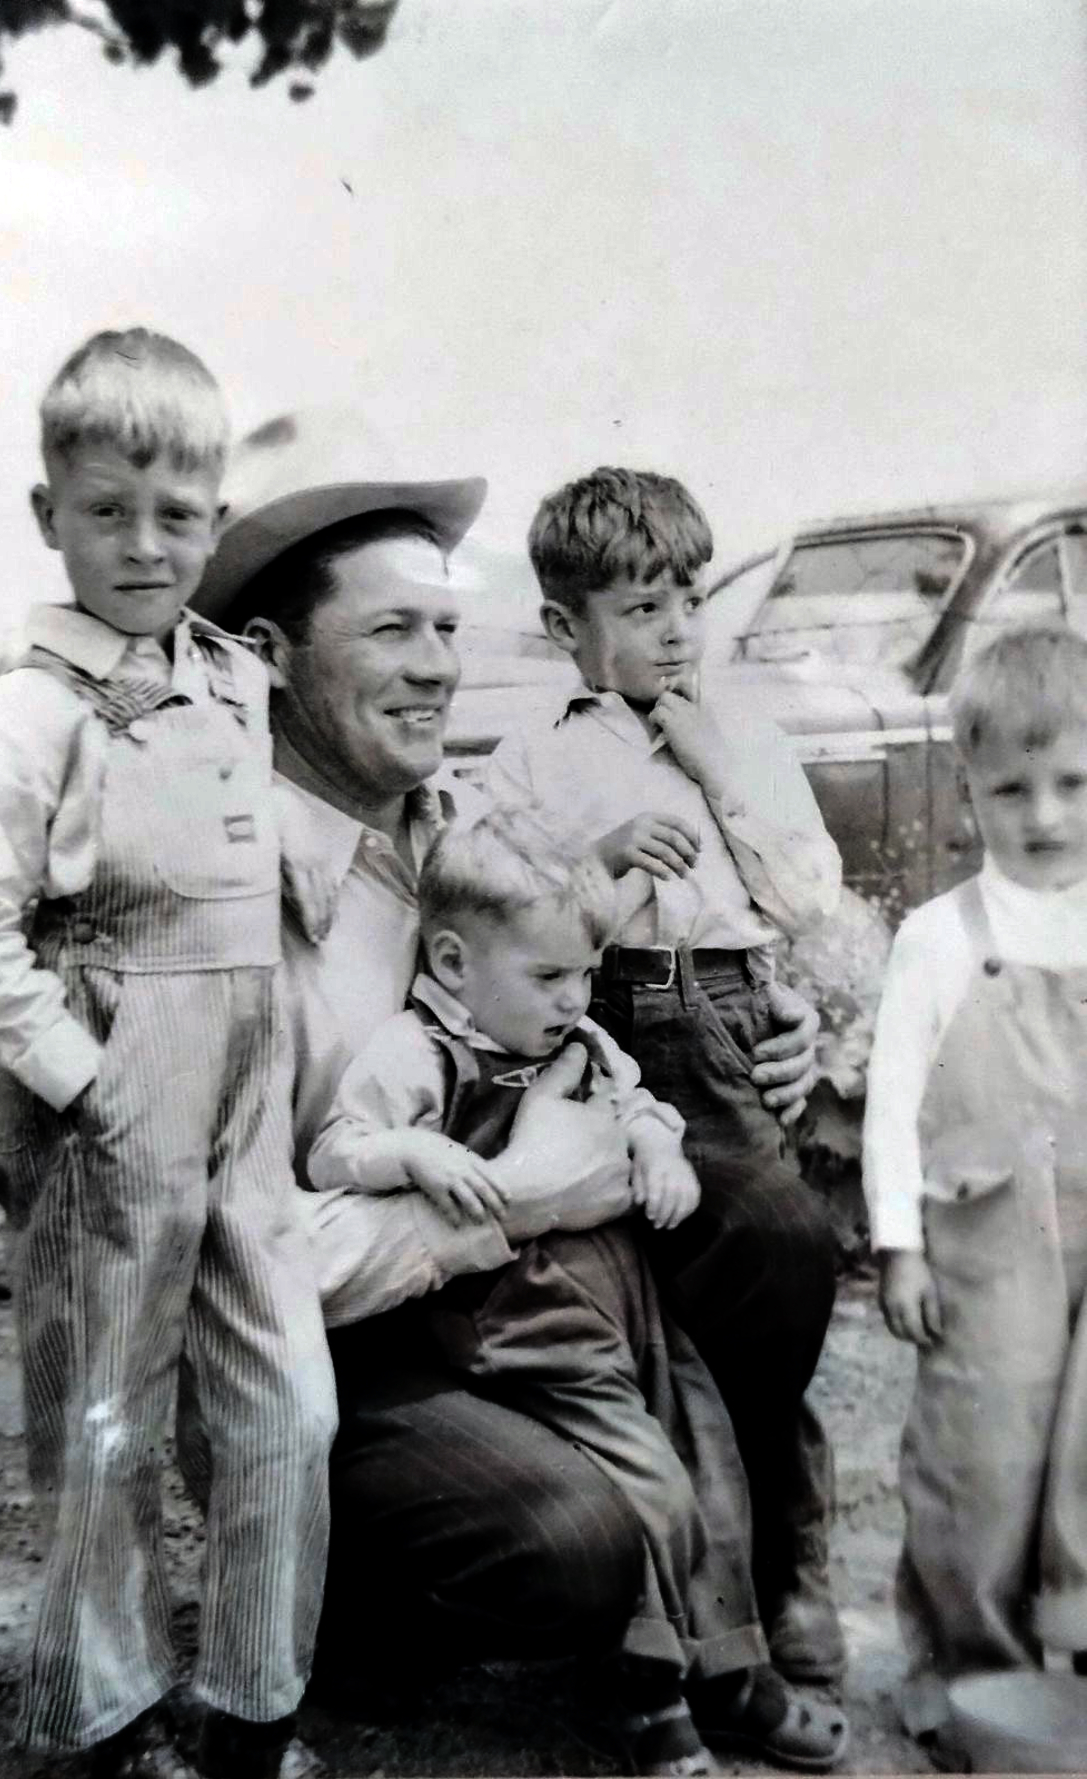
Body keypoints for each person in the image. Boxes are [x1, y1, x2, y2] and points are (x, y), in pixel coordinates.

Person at [188, 410, 827, 1722]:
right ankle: (361, 1613)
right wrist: (525, 1197)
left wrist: (782, 1024)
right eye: (390, 631)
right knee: (570, 1539)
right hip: (355, 1356)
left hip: (530, 1303)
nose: (435, 667)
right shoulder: (213, 910)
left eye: (442, 628)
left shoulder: (473, 826)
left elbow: (619, 960)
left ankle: (748, 1589)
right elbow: (247, 1267)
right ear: (263, 658)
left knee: (772, 1228)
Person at [0, 334, 336, 1779]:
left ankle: (252, 1699)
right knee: (105, 1420)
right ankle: (106, 1716)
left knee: (288, 1399)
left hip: (245, 1096)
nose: (145, 545)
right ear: (52, 517)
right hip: (114, 1095)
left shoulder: (235, 685)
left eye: (176, 516)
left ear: (214, 521)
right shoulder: (36, 707)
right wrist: (88, 1080)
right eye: (109, 511)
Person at [309, 802, 847, 1774]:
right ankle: (649, 1691)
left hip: (620, 1294)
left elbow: (637, 1100)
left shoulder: (579, 1044)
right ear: (454, 962)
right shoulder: (417, 1053)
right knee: (644, 1470)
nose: (575, 997)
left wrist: (655, 1143)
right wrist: (411, 1152)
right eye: (550, 975)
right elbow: (335, 1150)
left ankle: (729, 1665)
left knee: (705, 1443)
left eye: (587, 971)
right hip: (523, 1312)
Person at [482, 466, 846, 1682]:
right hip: (608, 1030)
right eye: (641, 609)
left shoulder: (737, 728)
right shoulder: (533, 757)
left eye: (687, 597)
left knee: (781, 1255)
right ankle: (707, 1599)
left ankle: (799, 1559)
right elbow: (507, 923)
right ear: (563, 629)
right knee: (667, 1319)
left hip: (732, 1021)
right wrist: (597, 858)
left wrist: (717, 767)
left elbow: (807, 897)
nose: (678, 627)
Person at [864, 621, 1087, 1754]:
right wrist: (897, 1244)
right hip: (991, 1234)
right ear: (968, 790)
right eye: (1012, 790)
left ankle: (1075, 1674)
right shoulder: (940, 938)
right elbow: (894, 1102)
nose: (1043, 817)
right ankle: (963, 1666)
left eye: (1071, 785)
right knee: (984, 1451)